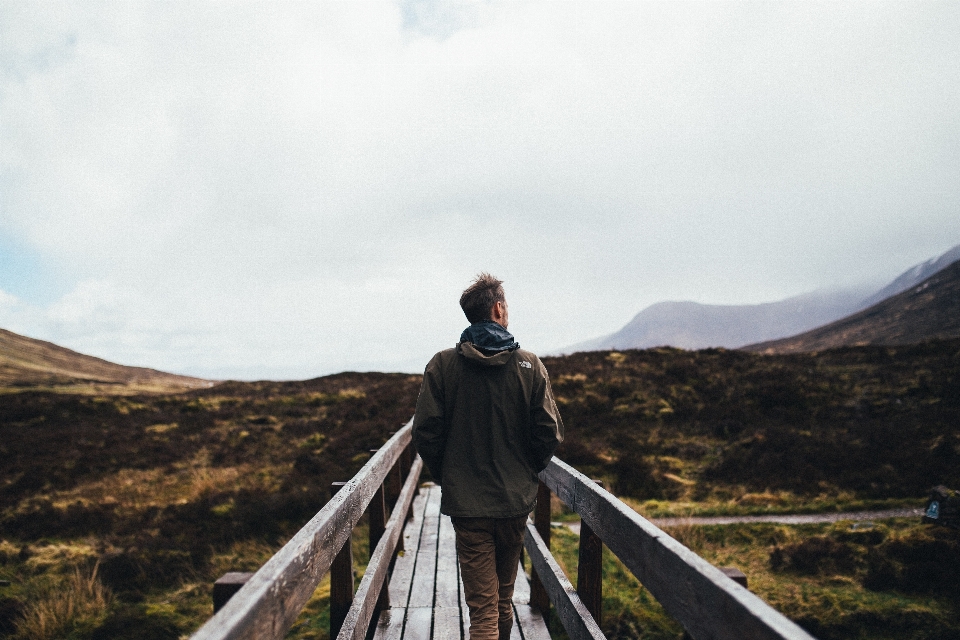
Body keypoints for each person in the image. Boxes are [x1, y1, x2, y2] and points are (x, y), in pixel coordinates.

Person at [412, 273, 564, 640]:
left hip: (468, 507)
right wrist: (526, 472)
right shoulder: (530, 365)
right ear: (498, 309)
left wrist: (448, 475)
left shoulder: (442, 365)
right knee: (502, 601)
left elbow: (425, 433)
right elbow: (550, 433)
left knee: (483, 610)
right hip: (514, 503)